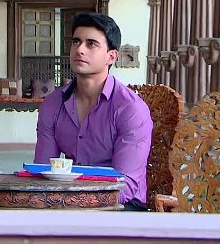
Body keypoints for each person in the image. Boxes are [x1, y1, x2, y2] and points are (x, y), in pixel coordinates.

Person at [33, 12, 152, 211]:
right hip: (69, 202)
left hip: (122, 206)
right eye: (76, 42)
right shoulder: (52, 104)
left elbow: (125, 186)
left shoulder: (130, 109)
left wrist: (72, 202)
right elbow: (43, 171)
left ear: (111, 56)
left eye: (91, 44)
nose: (79, 49)